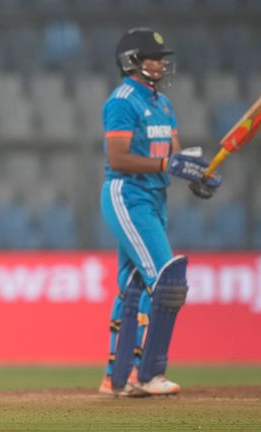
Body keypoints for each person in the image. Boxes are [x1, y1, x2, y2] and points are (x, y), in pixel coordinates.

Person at [97, 28, 222, 397]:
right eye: (153, 56)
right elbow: (118, 158)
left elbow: (175, 156)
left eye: (162, 56)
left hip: (154, 198)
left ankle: (116, 378)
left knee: (133, 287)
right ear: (132, 61)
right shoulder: (122, 100)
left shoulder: (163, 105)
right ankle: (147, 373)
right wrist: (169, 163)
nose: (161, 62)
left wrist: (198, 174)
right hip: (127, 195)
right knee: (164, 280)